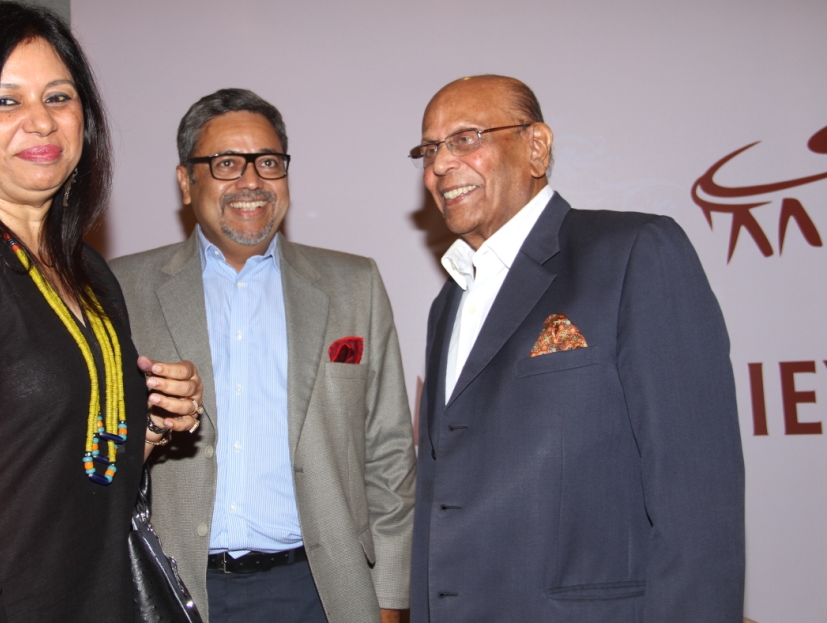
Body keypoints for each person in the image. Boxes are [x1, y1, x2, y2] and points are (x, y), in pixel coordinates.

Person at [0, 0, 203, 622]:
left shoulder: (90, 272)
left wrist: (150, 427)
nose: (42, 122)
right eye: (6, 102)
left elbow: (61, 469)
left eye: (59, 97)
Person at [409, 75, 745, 622]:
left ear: (536, 147)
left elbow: (697, 499)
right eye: (429, 150)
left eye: (465, 139)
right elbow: (439, 495)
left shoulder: (633, 252)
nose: (440, 164)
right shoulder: (447, 302)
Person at [110, 88, 416, 623]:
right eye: (226, 163)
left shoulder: (355, 284)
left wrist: (390, 599)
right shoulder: (121, 288)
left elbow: (388, 454)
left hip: (320, 591)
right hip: (176, 587)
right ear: (186, 181)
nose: (251, 181)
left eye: (268, 162)